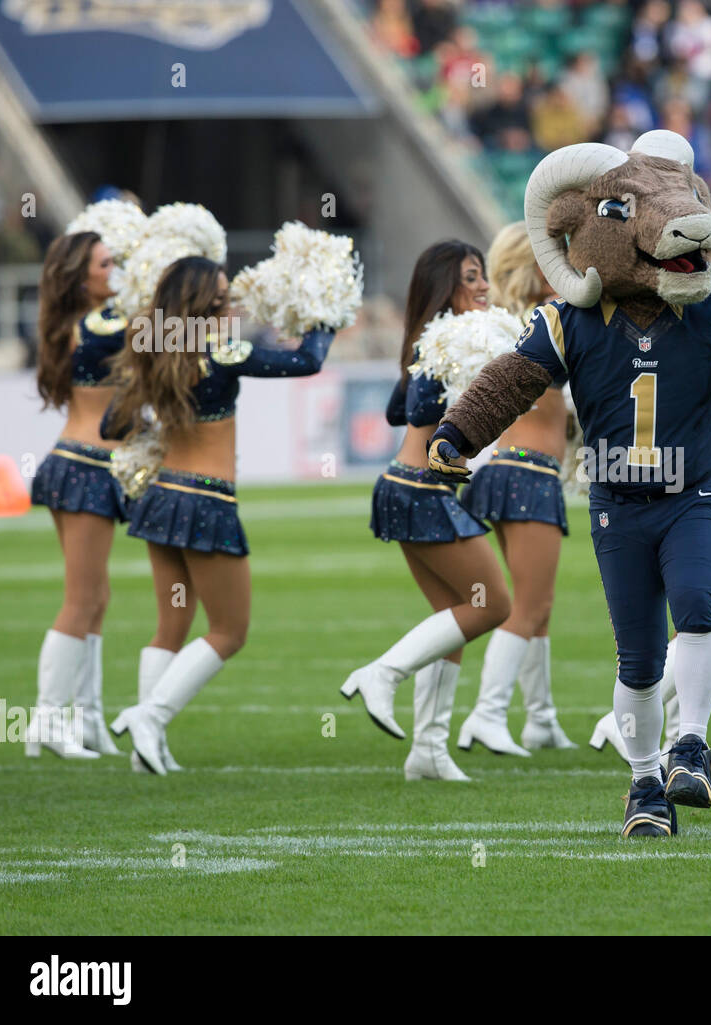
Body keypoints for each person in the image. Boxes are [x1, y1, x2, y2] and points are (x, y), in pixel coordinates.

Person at [423, 132, 711, 837]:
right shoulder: (569, 320)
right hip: (617, 503)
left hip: (693, 491)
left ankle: (690, 742)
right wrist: (455, 433)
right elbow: (509, 382)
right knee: (637, 661)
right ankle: (644, 784)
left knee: (700, 610)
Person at [103, 257, 336, 774]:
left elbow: (110, 425)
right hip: (206, 499)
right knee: (230, 631)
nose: (232, 304)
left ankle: (148, 751)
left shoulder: (153, 348)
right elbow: (306, 363)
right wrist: (327, 317)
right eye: (224, 296)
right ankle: (150, 717)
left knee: (170, 626)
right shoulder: (222, 350)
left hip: (160, 496)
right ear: (204, 304)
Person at [344, 240, 512, 782]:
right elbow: (416, 408)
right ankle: (383, 673)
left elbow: (397, 408)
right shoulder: (447, 340)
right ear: (445, 287)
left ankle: (429, 750)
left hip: (408, 486)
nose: (483, 286)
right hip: (422, 488)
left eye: (483, 274)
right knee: (492, 605)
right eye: (470, 277)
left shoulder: (437, 340)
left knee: (453, 618)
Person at [588, 358, 711, 763]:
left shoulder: (707, 332)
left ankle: (673, 744)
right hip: (700, 488)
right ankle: (632, 726)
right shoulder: (694, 339)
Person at [457, 223, 575, 755]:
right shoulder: (545, 322)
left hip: (507, 468)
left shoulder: (517, 324)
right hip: (529, 472)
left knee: (539, 609)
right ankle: (486, 714)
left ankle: (542, 719)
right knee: (529, 605)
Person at [27, 232, 124, 759]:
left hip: (81, 465)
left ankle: (88, 719)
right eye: (105, 263)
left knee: (98, 598)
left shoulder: (90, 321)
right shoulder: (94, 325)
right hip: (84, 468)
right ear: (80, 276)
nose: (115, 270)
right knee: (80, 599)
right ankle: (46, 718)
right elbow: (160, 333)